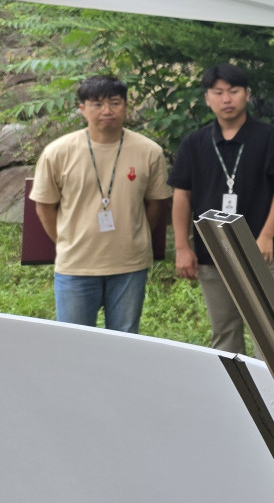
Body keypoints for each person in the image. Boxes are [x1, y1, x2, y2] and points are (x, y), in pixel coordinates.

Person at [169, 63, 274, 354]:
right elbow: (181, 194)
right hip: (211, 252)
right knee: (224, 332)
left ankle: (273, 394)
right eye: (218, 92)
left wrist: (266, 235)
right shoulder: (194, 143)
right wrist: (182, 246)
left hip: (260, 250)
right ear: (207, 98)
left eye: (234, 91)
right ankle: (236, 393)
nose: (227, 99)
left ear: (248, 95)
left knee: (271, 333)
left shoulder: (271, 138)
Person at [29, 75, 172, 332]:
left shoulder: (149, 151)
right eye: (96, 104)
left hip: (130, 265)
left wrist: (134, 237)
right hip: (76, 265)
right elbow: (44, 207)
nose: (107, 110)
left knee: (124, 342)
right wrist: (67, 239)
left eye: (115, 102)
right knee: (74, 345)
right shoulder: (58, 152)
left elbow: (155, 203)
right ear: (82, 108)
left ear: (127, 107)